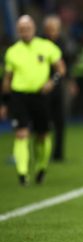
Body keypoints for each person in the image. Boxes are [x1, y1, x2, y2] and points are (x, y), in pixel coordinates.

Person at [2, 15, 66, 185]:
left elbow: (61, 68)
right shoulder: (12, 52)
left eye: (27, 28)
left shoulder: (47, 47)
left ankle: (41, 167)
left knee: (42, 135)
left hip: (40, 96)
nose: (25, 31)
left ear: (34, 28)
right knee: (21, 133)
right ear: (18, 31)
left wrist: (53, 81)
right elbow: (7, 79)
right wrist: (4, 103)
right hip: (19, 96)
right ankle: (22, 173)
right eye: (21, 29)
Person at [43, 15, 70, 162]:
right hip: (41, 88)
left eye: (57, 29)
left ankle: (58, 154)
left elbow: (66, 65)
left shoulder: (61, 43)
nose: (55, 32)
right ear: (46, 29)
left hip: (56, 87)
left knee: (60, 121)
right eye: (53, 29)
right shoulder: (39, 43)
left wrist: (70, 82)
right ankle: (43, 154)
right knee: (44, 122)